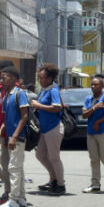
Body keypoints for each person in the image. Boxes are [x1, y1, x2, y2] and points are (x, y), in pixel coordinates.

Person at [0, 66, 30, 207]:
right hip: (9, 136)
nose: (2, 80)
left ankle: (13, 200)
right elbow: (4, 120)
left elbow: (24, 116)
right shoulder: (7, 95)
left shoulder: (19, 94)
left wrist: (14, 136)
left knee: (14, 168)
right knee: (17, 168)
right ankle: (21, 198)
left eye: (5, 77)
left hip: (17, 137)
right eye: (1, 77)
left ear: (14, 79)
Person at [31, 64, 66, 195]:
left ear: (50, 78)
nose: (40, 80)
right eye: (39, 78)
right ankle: (54, 178)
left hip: (54, 128)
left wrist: (39, 105)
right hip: (44, 129)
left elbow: (57, 107)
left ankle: (61, 184)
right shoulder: (44, 90)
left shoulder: (53, 90)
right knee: (40, 155)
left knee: (54, 157)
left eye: (43, 78)